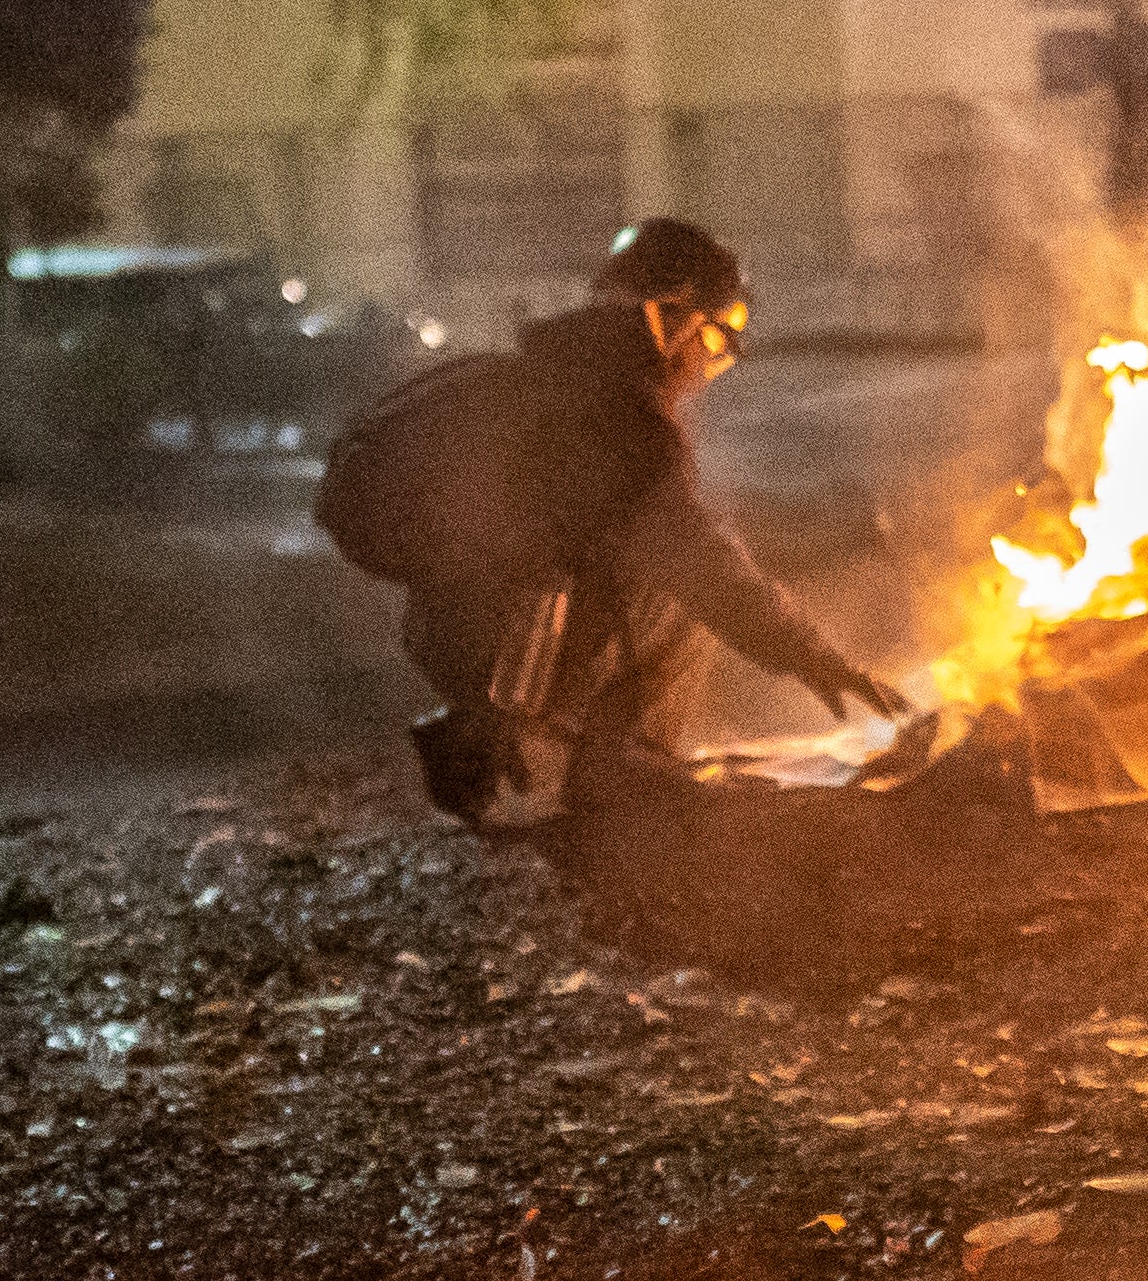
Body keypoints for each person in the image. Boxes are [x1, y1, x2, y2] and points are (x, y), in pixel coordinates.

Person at [312, 215, 905, 826]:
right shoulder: (625, 418)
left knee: (651, 571)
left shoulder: (541, 374)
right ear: (671, 318)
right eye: (718, 341)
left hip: (449, 629)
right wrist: (816, 659)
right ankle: (611, 782)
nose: (710, 368)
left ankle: (499, 737)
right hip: (506, 642)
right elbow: (702, 565)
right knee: (682, 600)